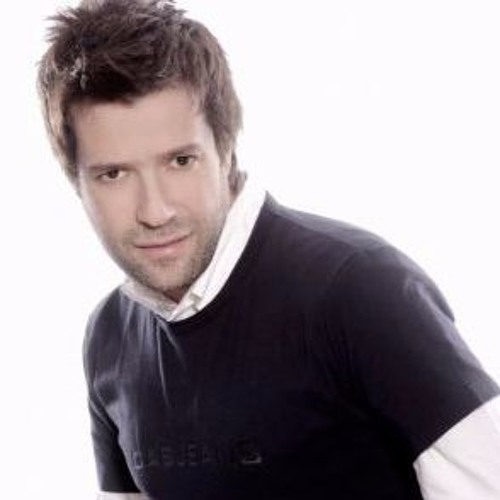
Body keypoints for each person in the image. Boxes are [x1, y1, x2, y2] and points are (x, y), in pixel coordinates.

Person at [38, 1, 500, 499]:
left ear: (226, 149)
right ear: (76, 184)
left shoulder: (360, 287)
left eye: (180, 161)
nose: (155, 210)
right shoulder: (108, 336)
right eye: (114, 174)